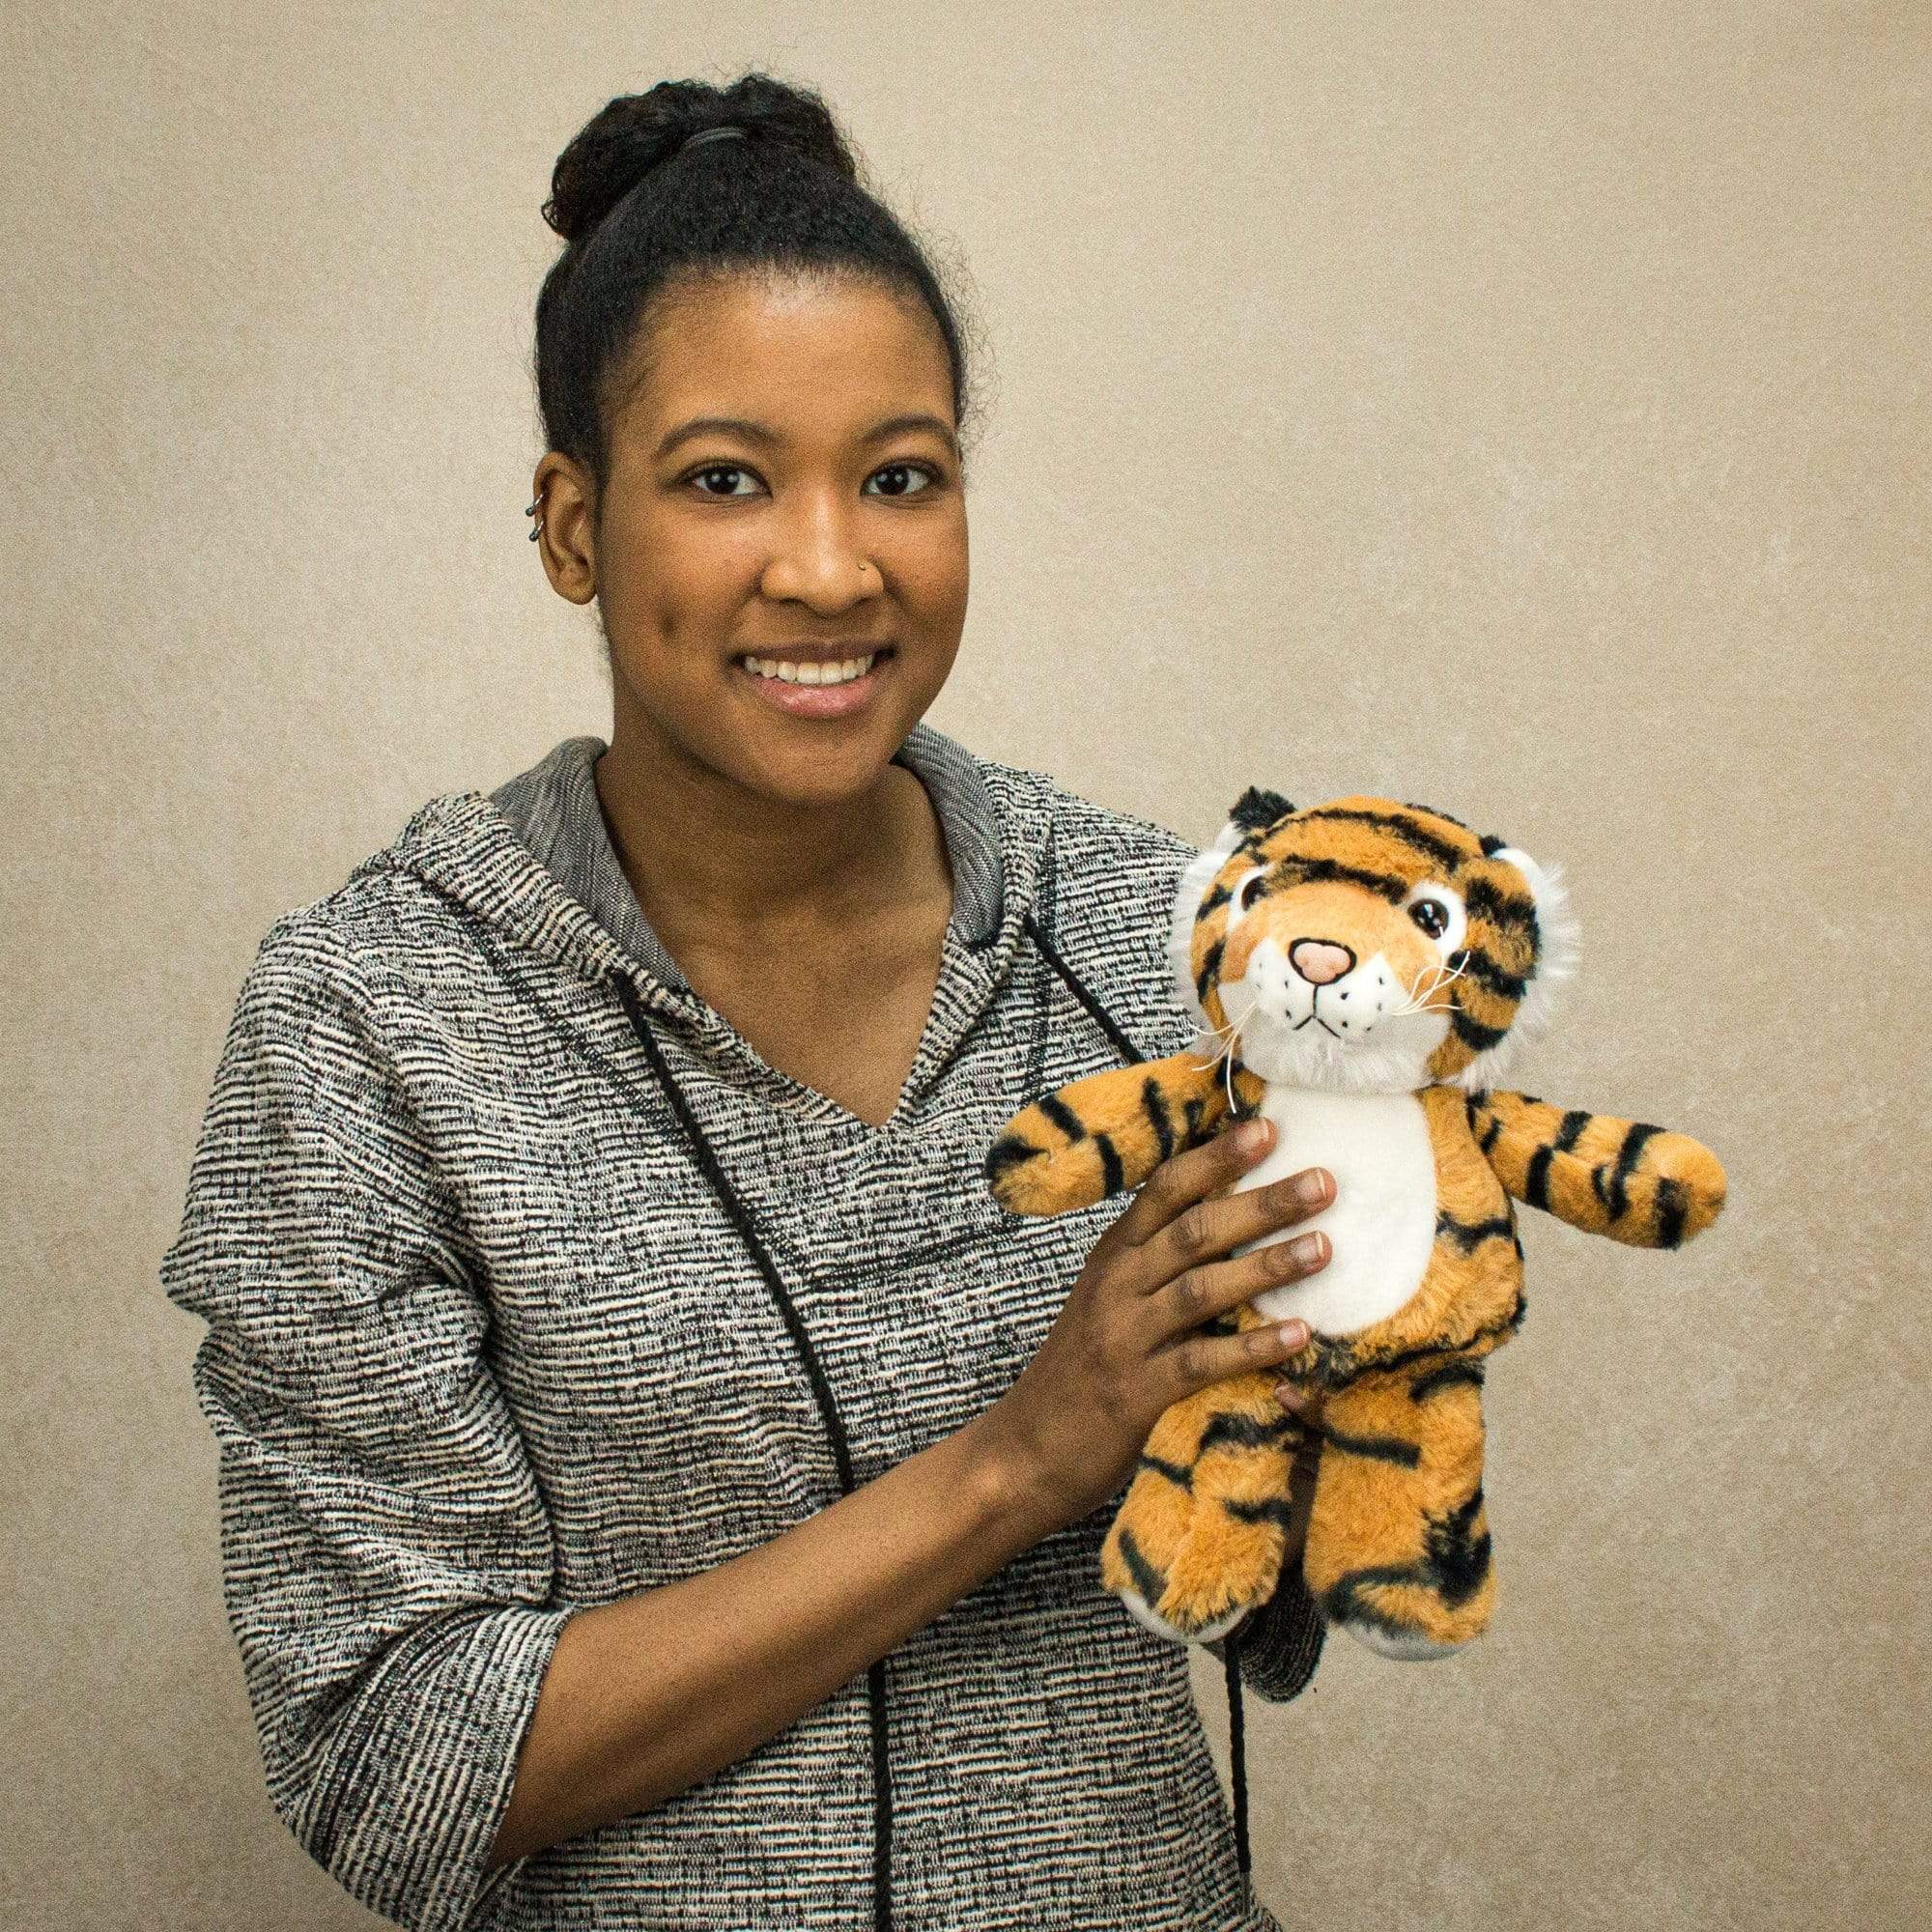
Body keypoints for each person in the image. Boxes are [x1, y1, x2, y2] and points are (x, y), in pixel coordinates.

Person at [159, 71, 1339, 1932]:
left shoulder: (1156, 927)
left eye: (901, 475)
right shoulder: (370, 1021)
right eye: (725, 479)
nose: (829, 565)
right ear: (570, 527)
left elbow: (1280, 1590)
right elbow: (392, 1762)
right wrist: (1020, 1458)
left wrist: (1354, 1332)